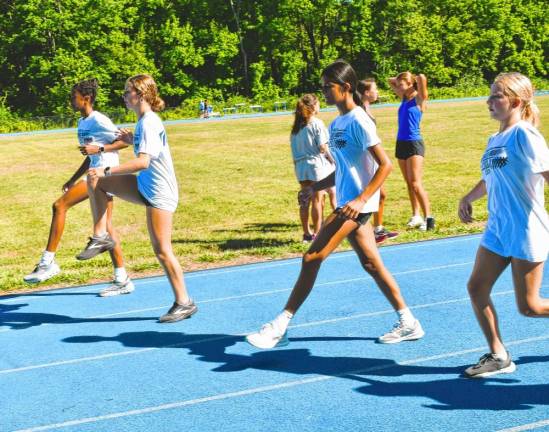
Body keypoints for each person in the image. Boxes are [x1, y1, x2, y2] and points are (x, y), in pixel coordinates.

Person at [246, 60, 424, 349]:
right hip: (346, 202)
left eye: (328, 86)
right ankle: (409, 322)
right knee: (371, 263)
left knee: (311, 257)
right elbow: (341, 168)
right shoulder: (337, 123)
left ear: (346, 87)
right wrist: (314, 188)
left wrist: (362, 198)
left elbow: (385, 165)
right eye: (323, 86)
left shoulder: (359, 121)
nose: (324, 92)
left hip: (356, 207)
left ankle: (280, 326)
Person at [77, 74, 197, 323]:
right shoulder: (144, 123)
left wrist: (106, 169)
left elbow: (143, 162)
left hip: (159, 192)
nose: (123, 96)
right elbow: (147, 147)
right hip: (146, 185)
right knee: (94, 181)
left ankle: (184, 302)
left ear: (140, 95)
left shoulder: (149, 122)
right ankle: (101, 237)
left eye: (126, 92)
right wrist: (131, 139)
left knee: (162, 250)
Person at [459, 72, 549, 378]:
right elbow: (491, 177)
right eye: (491, 95)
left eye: (496, 95)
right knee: (476, 287)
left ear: (516, 101)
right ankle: (499, 355)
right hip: (498, 229)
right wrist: (469, 197)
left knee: (531, 307)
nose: (489, 101)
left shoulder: (525, 135)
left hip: (527, 229)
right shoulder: (494, 139)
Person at [23, 78, 134, 297]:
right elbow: (89, 156)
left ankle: (48, 262)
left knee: (59, 206)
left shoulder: (99, 120)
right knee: (106, 228)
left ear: (86, 98)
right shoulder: (82, 123)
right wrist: (73, 179)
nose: (70, 100)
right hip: (93, 172)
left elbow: (124, 142)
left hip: (104, 175)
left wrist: (101, 148)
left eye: (73, 96)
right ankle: (122, 279)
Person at [388, 72, 434, 231]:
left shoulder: (419, 98)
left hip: (414, 143)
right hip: (401, 143)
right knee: (408, 183)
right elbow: (390, 81)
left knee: (415, 183)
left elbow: (422, 77)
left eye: (402, 84)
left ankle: (429, 219)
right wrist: (402, 83)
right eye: (399, 84)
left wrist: (413, 79)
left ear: (410, 84)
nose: (398, 87)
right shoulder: (404, 97)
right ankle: (416, 215)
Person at [358, 78, 398, 244]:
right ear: (366, 93)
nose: (377, 92)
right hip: (367, 160)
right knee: (377, 194)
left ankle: (377, 229)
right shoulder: (360, 112)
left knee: (380, 195)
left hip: (372, 159)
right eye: (375, 89)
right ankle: (367, 231)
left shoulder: (366, 109)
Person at [291, 94, 336, 242]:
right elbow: (323, 147)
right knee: (317, 199)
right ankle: (317, 232)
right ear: (312, 107)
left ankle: (306, 233)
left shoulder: (296, 127)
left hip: (301, 166)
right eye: (317, 104)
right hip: (316, 165)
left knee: (304, 200)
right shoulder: (316, 123)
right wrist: (333, 160)